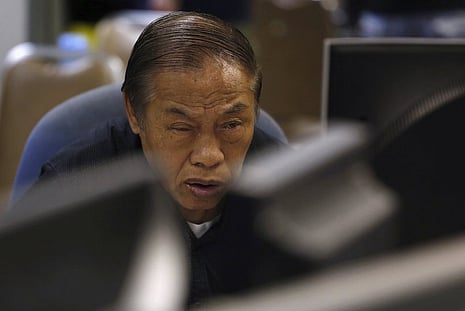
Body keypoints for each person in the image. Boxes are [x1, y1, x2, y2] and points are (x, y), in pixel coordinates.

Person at [29, 11, 299, 306]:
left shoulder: (291, 188)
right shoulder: (72, 191)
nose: (209, 156)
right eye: (181, 128)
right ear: (134, 113)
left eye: (231, 125)